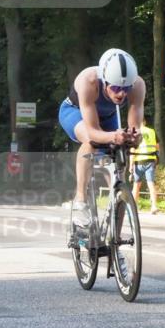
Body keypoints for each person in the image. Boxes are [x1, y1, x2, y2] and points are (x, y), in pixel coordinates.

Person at [58, 48, 145, 227]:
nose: (121, 94)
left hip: (109, 116)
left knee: (121, 180)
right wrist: (113, 136)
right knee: (91, 142)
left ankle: (116, 242)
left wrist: (134, 137)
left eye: (126, 88)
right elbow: (92, 131)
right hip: (75, 113)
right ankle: (80, 199)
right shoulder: (88, 81)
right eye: (115, 88)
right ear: (104, 81)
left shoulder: (138, 84)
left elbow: (134, 127)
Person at [131, 118, 160, 215]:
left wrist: (130, 166)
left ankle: (134, 207)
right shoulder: (152, 131)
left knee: (136, 185)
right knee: (151, 184)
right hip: (150, 160)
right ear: (145, 122)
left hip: (138, 161)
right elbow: (157, 147)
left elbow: (132, 150)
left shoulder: (135, 133)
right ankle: (154, 206)